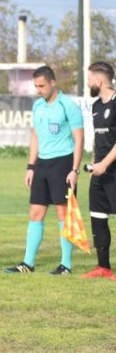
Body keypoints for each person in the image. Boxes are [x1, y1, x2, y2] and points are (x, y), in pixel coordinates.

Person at [5, 65, 84, 275]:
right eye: (36, 86)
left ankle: (66, 265)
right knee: (35, 212)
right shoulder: (38, 106)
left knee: (62, 213)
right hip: (42, 164)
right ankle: (27, 264)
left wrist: (75, 170)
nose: (38, 90)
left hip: (63, 163)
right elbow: (35, 136)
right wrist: (31, 166)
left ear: (52, 82)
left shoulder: (68, 105)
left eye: (41, 86)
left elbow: (79, 139)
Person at [83, 61, 116, 278]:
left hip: (113, 171)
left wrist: (105, 164)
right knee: (97, 217)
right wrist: (96, 163)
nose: (87, 83)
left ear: (99, 80)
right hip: (100, 171)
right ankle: (103, 267)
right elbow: (98, 139)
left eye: (89, 79)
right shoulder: (96, 106)